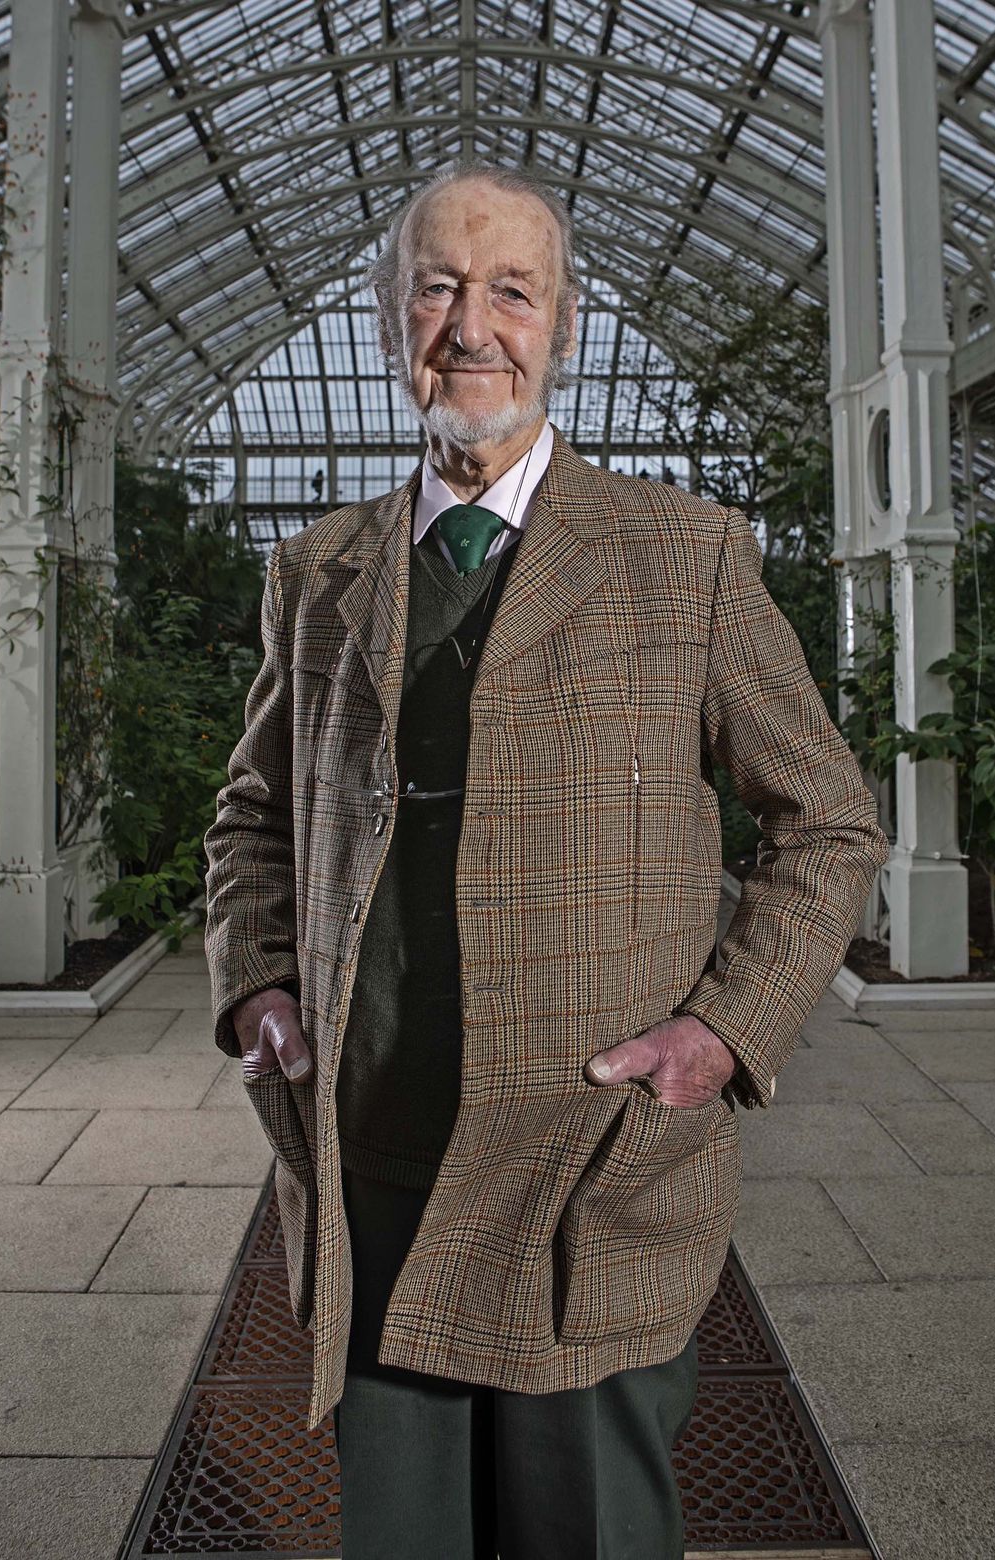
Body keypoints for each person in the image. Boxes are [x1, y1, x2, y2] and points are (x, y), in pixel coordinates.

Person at [203, 160, 889, 1559]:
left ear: (561, 323)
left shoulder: (681, 556)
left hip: (590, 1161)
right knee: (401, 1535)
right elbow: (251, 818)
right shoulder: (319, 572)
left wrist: (722, 1030)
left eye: (510, 290)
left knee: (591, 1532)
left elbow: (826, 820)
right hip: (371, 1161)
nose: (473, 325)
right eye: (439, 287)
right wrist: (259, 982)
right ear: (393, 318)